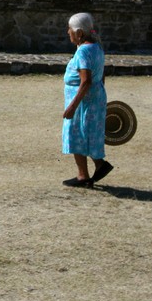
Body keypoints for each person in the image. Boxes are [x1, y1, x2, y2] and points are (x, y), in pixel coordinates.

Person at [61, 12, 113, 187]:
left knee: (77, 135)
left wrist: (72, 107)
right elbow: (101, 76)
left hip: (84, 101)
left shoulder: (83, 51)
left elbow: (86, 81)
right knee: (88, 134)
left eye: (70, 30)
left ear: (79, 33)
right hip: (94, 98)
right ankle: (98, 166)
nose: (68, 33)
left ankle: (84, 175)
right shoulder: (97, 47)